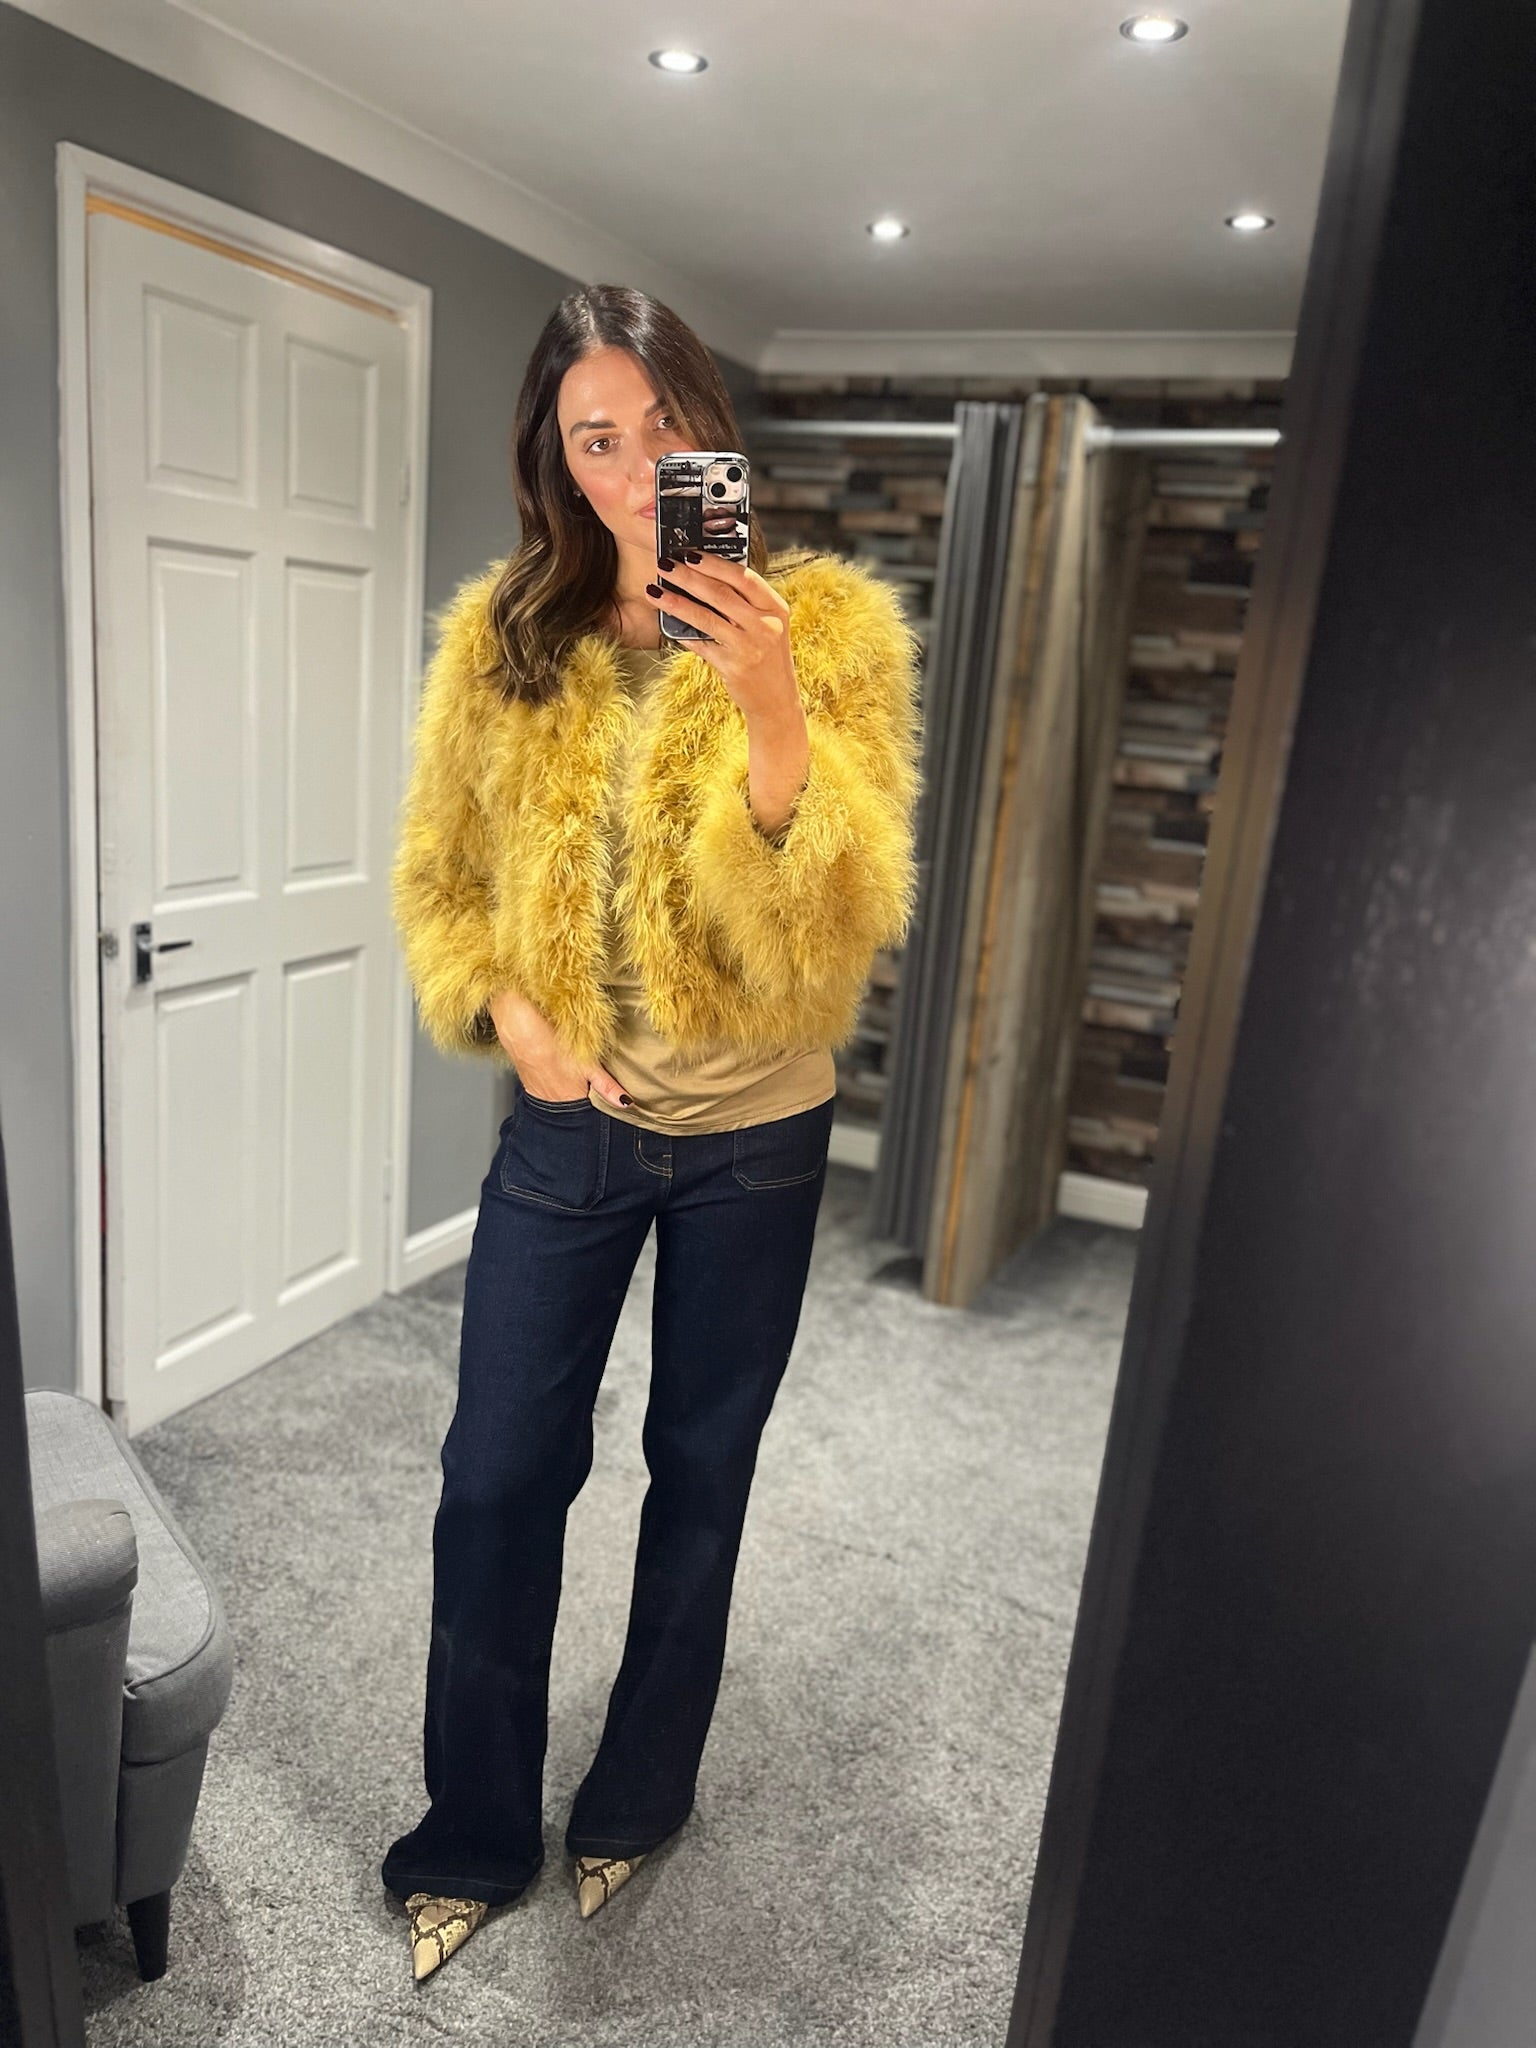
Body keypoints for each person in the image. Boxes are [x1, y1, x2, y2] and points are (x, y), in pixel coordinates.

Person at [380, 282, 924, 1982]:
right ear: (558, 459)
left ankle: (641, 1792)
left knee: (702, 1471)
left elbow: (834, 930)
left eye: (660, 427)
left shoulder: (826, 629)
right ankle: (473, 1827)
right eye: (595, 439)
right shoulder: (507, 640)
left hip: (759, 1139)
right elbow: (442, 875)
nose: (633, 470)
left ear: (709, 430)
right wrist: (515, 1015)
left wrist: (769, 704)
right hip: (569, 1135)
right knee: (497, 1477)